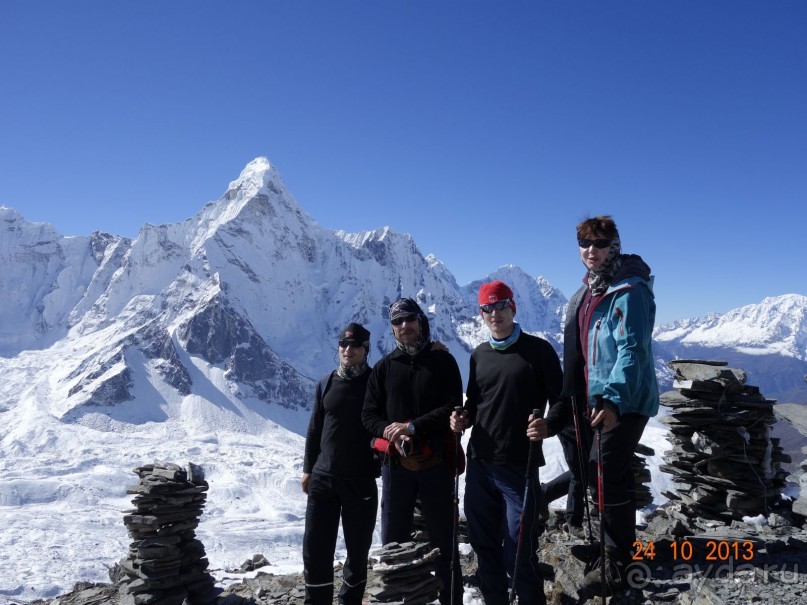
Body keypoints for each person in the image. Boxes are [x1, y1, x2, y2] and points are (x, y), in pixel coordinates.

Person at [529, 215, 659, 597]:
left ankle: (618, 563)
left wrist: (614, 399)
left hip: (626, 399)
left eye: (599, 244)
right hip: (591, 399)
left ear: (614, 246)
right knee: (593, 469)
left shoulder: (628, 291)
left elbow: (632, 351)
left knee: (606, 467)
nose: (591, 251)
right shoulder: (588, 292)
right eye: (584, 244)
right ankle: (607, 547)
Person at [451, 281, 563, 605]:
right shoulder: (478, 356)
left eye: (501, 306)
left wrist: (548, 425)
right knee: (484, 545)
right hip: (480, 465)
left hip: (519, 466)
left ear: (513, 308)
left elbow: (561, 402)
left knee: (518, 548)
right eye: (488, 308)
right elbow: (474, 403)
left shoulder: (538, 351)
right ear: (481, 314)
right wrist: (462, 418)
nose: (495, 314)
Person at [362, 298, 463, 605]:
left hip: (436, 462)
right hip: (395, 466)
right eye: (397, 322)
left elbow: (452, 405)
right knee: (393, 542)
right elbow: (368, 415)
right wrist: (388, 430)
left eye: (409, 320)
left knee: (444, 542)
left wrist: (412, 427)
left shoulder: (443, 361)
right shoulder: (383, 368)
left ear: (420, 321)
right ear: (391, 328)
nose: (404, 326)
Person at [301, 323, 379, 605]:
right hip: (323, 478)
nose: (348, 350)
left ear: (366, 349)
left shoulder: (376, 383)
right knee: (315, 548)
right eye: (344, 345)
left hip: (360, 481)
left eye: (355, 345)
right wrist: (308, 469)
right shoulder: (326, 383)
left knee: (358, 552)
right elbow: (314, 429)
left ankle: (349, 601)